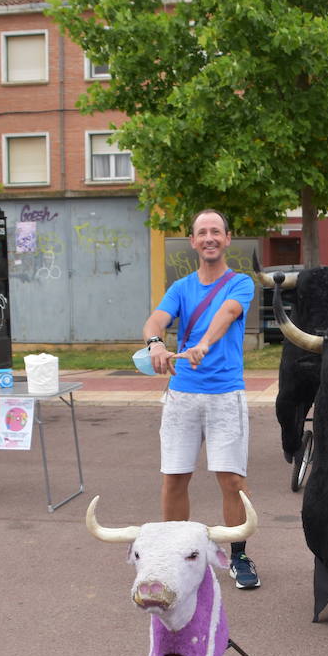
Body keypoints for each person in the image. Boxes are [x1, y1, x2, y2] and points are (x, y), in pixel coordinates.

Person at [142, 208, 261, 588]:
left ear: (227, 239)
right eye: (201, 233)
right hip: (182, 396)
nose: (209, 238)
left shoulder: (240, 283)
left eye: (216, 232)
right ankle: (175, 554)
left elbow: (227, 314)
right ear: (193, 242)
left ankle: (238, 556)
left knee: (232, 482)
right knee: (174, 479)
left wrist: (204, 344)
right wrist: (156, 343)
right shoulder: (180, 288)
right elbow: (154, 321)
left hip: (225, 395)